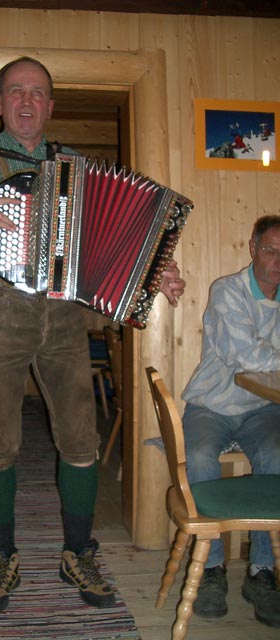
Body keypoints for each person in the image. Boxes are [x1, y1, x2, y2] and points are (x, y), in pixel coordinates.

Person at [0, 56, 185, 614]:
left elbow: (117, 237)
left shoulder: (73, 164)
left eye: (38, 92)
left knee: (81, 439)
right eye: (15, 91)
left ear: (50, 105)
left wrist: (153, 273)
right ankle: (2, 555)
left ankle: (79, 552)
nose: (27, 101)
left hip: (64, 312)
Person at [182, 214, 280, 628]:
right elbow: (248, 358)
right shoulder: (228, 291)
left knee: (277, 456)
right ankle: (212, 568)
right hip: (213, 404)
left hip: (264, 409)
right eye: (272, 250)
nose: (279, 260)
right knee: (201, 455)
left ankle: (261, 571)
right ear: (253, 249)